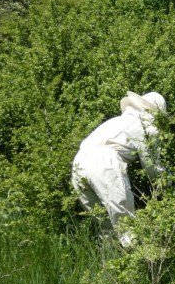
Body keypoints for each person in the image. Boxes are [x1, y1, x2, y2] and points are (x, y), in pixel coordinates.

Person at [71, 91, 166, 247]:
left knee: (106, 224)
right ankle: (139, 266)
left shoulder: (114, 121)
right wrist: (168, 186)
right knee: (125, 225)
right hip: (103, 163)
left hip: (78, 163)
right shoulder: (147, 126)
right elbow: (152, 168)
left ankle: (111, 262)